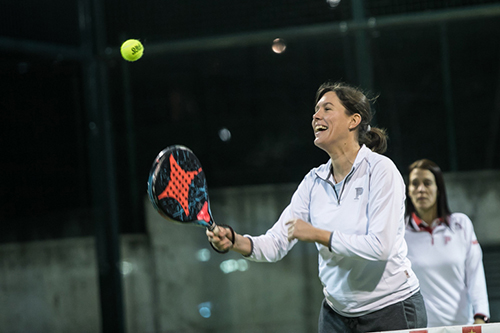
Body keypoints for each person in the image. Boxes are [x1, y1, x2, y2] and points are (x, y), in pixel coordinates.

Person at [207, 81, 427, 333]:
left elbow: (381, 246)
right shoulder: (313, 182)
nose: (316, 116)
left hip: (391, 309)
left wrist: (317, 234)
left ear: (353, 120)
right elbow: (275, 243)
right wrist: (234, 240)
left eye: (327, 108)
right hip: (337, 315)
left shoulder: (380, 170)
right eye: (316, 109)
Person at [404, 159, 490, 327]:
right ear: (408, 190)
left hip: (463, 327)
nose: (421, 189)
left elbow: (475, 274)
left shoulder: (461, 224)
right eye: (415, 184)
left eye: (427, 183)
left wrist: (480, 317)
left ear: (438, 189)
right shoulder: (398, 232)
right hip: (421, 329)